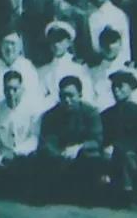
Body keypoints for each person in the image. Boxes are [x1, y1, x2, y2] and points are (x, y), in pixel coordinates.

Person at [34, 75, 104, 205]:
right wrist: (60, 153)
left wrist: (78, 148)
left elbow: (97, 140)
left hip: (81, 156)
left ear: (80, 95)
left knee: (93, 156)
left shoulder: (91, 113)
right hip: (59, 157)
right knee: (42, 155)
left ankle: (88, 194)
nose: (67, 100)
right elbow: (47, 141)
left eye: (71, 96)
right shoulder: (51, 115)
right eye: (63, 96)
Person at [0, 70, 40, 197]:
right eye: (7, 89)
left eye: (15, 89)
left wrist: (17, 152)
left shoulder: (33, 109)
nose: (11, 93)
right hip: (2, 155)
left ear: (22, 89)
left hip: (23, 155)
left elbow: (34, 137)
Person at [99, 70, 137, 206]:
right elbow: (102, 138)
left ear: (131, 88)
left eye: (120, 86)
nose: (116, 90)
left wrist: (116, 147)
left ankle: (128, 193)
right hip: (109, 154)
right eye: (114, 86)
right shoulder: (106, 114)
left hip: (133, 156)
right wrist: (106, 148)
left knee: (126, 156)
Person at [88, 27, 137, 111]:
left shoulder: (133, 73)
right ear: (100, 45)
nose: (109, 46)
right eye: (105, 42)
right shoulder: (92, 74)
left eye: (113, 42)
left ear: (120, 44)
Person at [37, 20, 94, 106]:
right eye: (53, 40)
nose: (56, 45)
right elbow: (40, 98)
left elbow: (87, 96)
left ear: (68, 43)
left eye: (60, 40)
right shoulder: (44, 71)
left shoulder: (79, 68)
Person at [84, 0, 131, 65]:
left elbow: (125, 47)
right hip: (98, 66)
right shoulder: (90, 17)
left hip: (117, 64)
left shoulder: (118, 15)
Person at [0, 31, 43, 112]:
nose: (9, 48)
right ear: (0, 45)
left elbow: (34, 97)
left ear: (20, 46)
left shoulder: (28, 68)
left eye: (12, 43)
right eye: (6, 43)